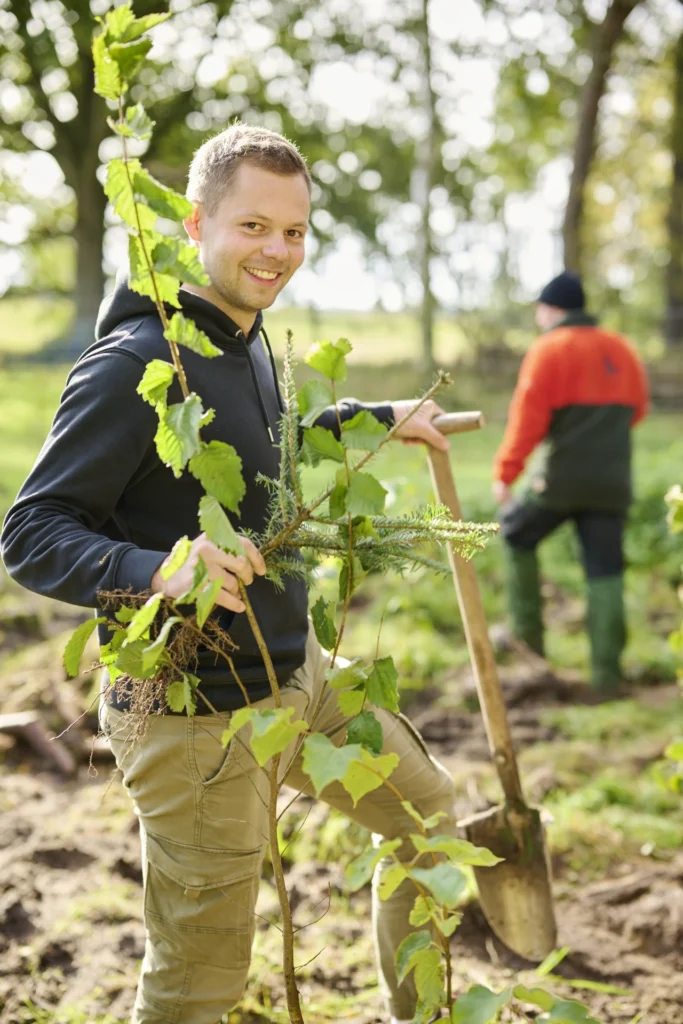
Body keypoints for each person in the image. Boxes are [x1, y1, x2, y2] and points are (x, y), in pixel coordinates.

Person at [1, 124, 456, 1024]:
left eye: (293, 232)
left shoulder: (238, 336)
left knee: (428, 820)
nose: (277, 251)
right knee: (197, 985)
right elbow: (29, 532)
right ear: (199, 221)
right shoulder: (136, 364)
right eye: (253, 227)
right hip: (194, 716)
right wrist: (159, 569)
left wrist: (373, 416)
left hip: (295, 676)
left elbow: (256, 446)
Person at [492, 270, 649, 693]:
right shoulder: (623, 349)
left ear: (551, 309)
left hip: (558, 484)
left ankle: (528, 647)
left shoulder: (549, 349)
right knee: (605, 569)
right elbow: (639, 411)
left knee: (516, 535)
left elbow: (527, 421)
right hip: (613, 485)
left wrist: (506, 474)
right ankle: (607, 677)